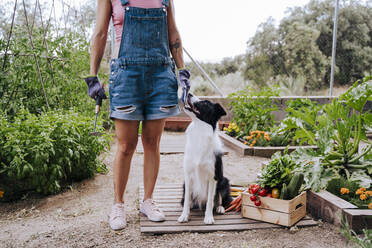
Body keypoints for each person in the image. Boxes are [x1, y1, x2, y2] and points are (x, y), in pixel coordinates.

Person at [85, 0, 191, 230]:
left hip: (161, 75)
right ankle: (118, 204)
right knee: (126, 146)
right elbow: (101, 33)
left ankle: (148, 201)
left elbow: (172, 32)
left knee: (152, 142)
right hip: (126, 76)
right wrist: (92, 74)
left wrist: (181, 69)